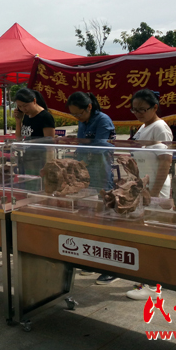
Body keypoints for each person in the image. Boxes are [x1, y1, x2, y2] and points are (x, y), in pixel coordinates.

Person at [126, 89, 173, 301]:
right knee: (146, 232)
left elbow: (165, 162)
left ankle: (155, 284)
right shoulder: (143, 127)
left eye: (142, 110)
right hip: (144, 186)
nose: (138, 113)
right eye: (134, 110)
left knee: (156, 233)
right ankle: (147, 278)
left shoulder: (160, 128)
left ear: (155, 107)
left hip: (156, 187)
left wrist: (153, 194)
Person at [68, 91, 118, 286]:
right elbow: (81, 146)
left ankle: (111, 268)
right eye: (74, 115)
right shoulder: (83, 121)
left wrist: (82, 161)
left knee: (106, 220)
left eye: (79, 114)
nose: (78, 118)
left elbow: (99, 148)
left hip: (102, 175)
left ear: (89, 107)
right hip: (86, 177)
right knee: (91, 219)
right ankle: (94, 260)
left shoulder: (103, 120)